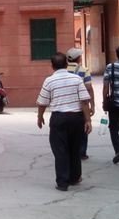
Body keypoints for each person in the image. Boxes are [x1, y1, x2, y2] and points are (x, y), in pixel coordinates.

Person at [36, 52, 92, 191]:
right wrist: (88, 120)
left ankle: (62, 182)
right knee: (74, 148)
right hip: (76, 117)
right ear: (66, 64)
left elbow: (42, 102)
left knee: (60, 150)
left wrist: (40, 117)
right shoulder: (76, 79)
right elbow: (84, 101)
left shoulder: (49, 81)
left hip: (58, 118)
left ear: (52, 66)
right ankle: (75, 177)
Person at [66, 47, 95, 160]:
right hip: (80, 105)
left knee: (68, 130)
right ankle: (82, 152)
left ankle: (69, 151)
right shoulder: (84, 70)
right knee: (84, 127)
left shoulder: (62, 70)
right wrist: (92, 105)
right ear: (78, 58)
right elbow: (89, 88)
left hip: (66, 104)